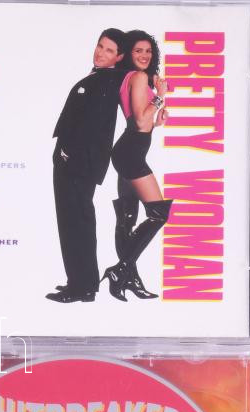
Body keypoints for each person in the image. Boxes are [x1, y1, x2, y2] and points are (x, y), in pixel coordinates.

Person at [47, 29, 125, 304]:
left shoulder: (106, 82)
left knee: (75, 222)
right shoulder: (101, 78)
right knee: (76, 221)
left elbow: (92, 126)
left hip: (77, 163)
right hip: (77, 161)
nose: (100, 53)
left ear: (119, 57)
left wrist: (67, 153)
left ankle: (81, 287)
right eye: (100, 46)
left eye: (109, 50)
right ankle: (82, 283)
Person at [104, 30, 173, 301]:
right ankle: (120, 269)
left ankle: (129, 279)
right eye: (138, 50)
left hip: (128, 150)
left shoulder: (130, 78)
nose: (144, 55)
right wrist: (160, 96)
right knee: (158, 214)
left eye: (148, 51)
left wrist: (156, 123)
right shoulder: (139, 77)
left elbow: (142, 123)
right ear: (129, 54)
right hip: (131, 155)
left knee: (127, 217)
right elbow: (140, 121)